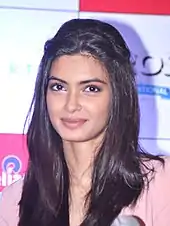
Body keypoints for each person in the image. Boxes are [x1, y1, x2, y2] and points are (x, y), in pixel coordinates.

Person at [0, 18, 170, 226]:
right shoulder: (14, 201)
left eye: (90, 89)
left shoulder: (162, 182)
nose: (71, 105)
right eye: (59, 87)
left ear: (118, 96)